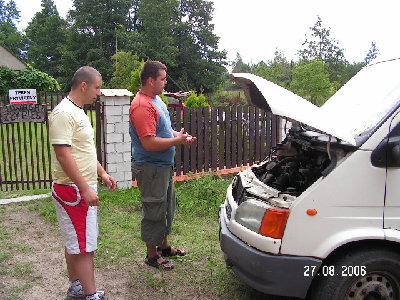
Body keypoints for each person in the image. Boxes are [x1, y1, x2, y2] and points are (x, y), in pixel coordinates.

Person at [49, 66, 117, 300]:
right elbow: (63, 155)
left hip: (79, 186)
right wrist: (85, 187)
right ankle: (90, 295)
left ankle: (77, 287)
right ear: (84, 85)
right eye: (97, 87)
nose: (99, 92)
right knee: (83, 244)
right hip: (73, 189)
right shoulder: (63, 113)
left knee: (75, 241)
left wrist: (102, 173)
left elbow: (83, 151)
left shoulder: (78, 111)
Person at [129, 61, 196, 270]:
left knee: (166, 206)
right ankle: (151, 255)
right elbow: (149, 143)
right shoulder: (141, 106)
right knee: (154, 208)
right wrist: (176, 141)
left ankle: (164, 247)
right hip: (150, 168)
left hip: (163, 166)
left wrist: (180, 137)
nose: (165, 82)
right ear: (151, 80)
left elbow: (164, 132)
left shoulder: (157, 100)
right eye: (163, 79)